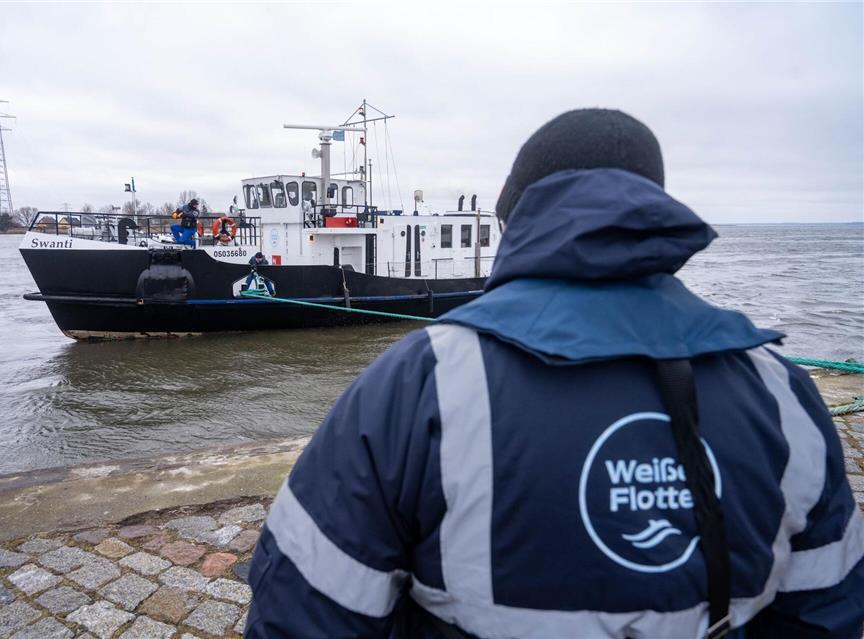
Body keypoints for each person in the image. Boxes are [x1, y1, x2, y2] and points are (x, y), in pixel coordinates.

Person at [244, 109, 864, 638]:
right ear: (655, 212)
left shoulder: (420, 381)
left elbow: (306, 606)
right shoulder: (781, 392)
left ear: (513, 218)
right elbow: (830, 608)